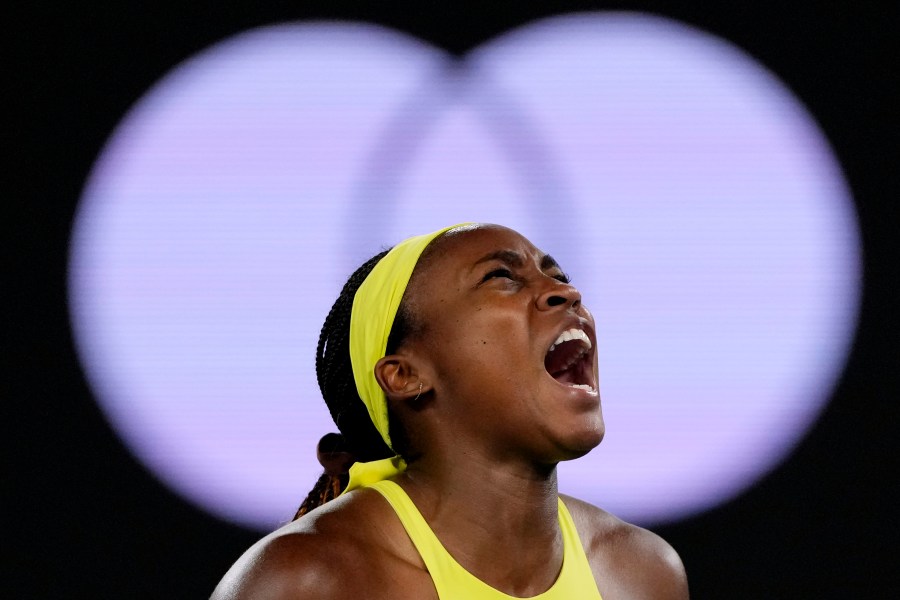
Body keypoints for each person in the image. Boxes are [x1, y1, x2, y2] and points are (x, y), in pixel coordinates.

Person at [212, 223, 689, 599]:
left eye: (559, 276)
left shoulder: (643, 573)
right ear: (405, 375)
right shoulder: (308, 581)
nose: (566, 293)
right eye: (501, 277)